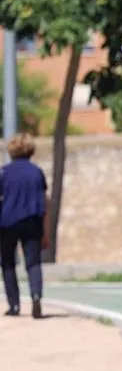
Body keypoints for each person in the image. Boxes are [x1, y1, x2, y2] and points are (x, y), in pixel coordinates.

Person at [0, 133, 49, 319]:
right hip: (32, 221)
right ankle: (36, 296)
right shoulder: (36, 172)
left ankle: (14, 305)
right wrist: (46, 232)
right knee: (33, 263)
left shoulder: (4, 172)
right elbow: (44, 202)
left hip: (7, 223)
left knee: (8, 263)